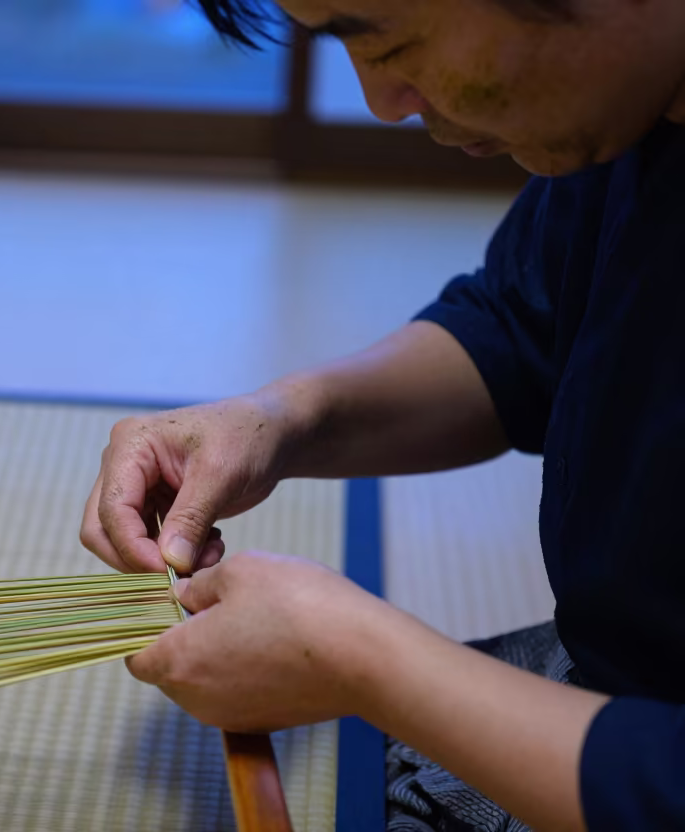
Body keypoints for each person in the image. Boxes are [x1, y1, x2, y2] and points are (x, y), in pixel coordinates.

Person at [78, 0, 685, 829]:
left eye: (392, 41)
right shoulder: (634, 108)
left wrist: (363, 660)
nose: (383, 100)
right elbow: (520, 329)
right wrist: (280, 419)